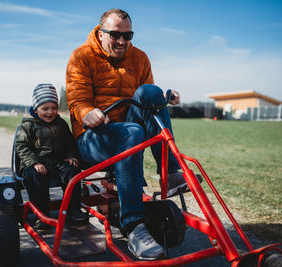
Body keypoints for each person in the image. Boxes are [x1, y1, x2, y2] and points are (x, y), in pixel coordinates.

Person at [66, 9, 201, 260]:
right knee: (132, 131)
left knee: (150, 92)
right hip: (92, 137)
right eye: (115, 35)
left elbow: (146, 103)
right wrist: (86, 112)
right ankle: (133, 226)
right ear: (101, 32)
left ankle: (170, 173)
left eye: (127, 35)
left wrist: (164, 100)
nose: (122, 41)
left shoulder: (139, 58)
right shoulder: (81, 57)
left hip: (129, 130)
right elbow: (76, 100)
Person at [15, 83, 88, 229]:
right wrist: (34, 162)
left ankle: (73, 209)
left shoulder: (60, 124)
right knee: (34, 178)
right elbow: (22, 146)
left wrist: (72, 156)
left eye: (54, 108)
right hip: (36, 163)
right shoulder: (28, 125)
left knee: (72, 172)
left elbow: (69, 143)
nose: (50, 112)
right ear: (36, 109)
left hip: (58, 162)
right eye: (45, 109)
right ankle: (42, 215)